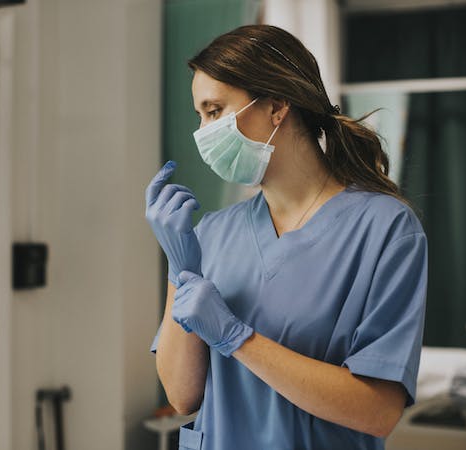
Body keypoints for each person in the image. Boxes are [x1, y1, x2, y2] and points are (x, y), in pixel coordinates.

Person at [145, 25, 427, 450]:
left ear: (276, 106)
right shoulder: (211, 234)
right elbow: (183, 395)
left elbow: (378, 412)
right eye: (199, 115)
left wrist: (237, 338)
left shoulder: (385, 229)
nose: (202, 132)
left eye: (215, 111)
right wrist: (181, 267)